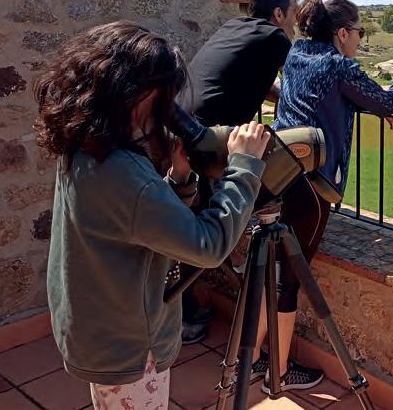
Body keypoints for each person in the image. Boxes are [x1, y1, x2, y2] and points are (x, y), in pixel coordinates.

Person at [35, 21, 271, 409]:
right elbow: (208, 246)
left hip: (98, 330)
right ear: (139, 94)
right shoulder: (124, 173)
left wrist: (179, 180)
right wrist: (244, 166)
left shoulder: (85, 145)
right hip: (130, 347)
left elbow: (138, 220)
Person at [256, 0, 393, 393]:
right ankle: (279, 373)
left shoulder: (297, 54)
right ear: (342, 33)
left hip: (277, 170)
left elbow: (330, 98)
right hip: (311, 183)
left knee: (270, 271)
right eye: (359, 32)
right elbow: (385, 99)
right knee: (289, 280)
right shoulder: (340, 65)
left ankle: (249, 358)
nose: (359, 38)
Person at [182, 0, 298, 344]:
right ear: (278, 13)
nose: (294, 22)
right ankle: (193, 309)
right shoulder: (276, 37)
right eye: (293, 14)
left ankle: (186, 307)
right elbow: (303, 78)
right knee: (205, 234)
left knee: (188, 220)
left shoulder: (234, 27)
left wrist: (278, 94)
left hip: (182, 129)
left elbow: (246, 79)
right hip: (210, 139)